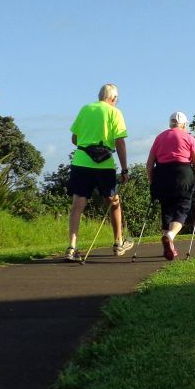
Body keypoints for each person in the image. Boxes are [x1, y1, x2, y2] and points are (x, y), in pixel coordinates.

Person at [65, 83, 133, 262]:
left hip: (81, 161)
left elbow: (74, 138)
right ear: (114, 98)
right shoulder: (114, 112)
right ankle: (118, 242)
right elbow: (119, 142)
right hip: (104, 164)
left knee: (78, 204)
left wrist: (88, 142)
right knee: (113, 201)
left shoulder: (86, 108)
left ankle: (72, 247)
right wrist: (124, 168)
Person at [147, 111, 195, 260]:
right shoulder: (189, 137)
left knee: (166, 210)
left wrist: (152, 181)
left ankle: (170, 246)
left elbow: (149, 164)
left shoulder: (159, 137)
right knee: (182, 208)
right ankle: (171, 234)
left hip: (162, 175)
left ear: (170, 123)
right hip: (183, 175)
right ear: (184, 124)